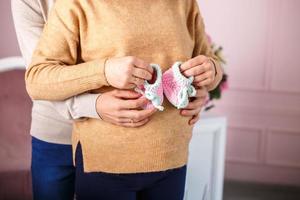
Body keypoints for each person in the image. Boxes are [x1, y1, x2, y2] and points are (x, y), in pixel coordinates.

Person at [24, 0, 222, 199]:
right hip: (105, 164)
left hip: (172, 160)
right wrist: (104, 72)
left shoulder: (185, 3)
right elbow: (38, 80)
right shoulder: (75, 4)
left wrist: (211, 71)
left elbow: (208, 61)